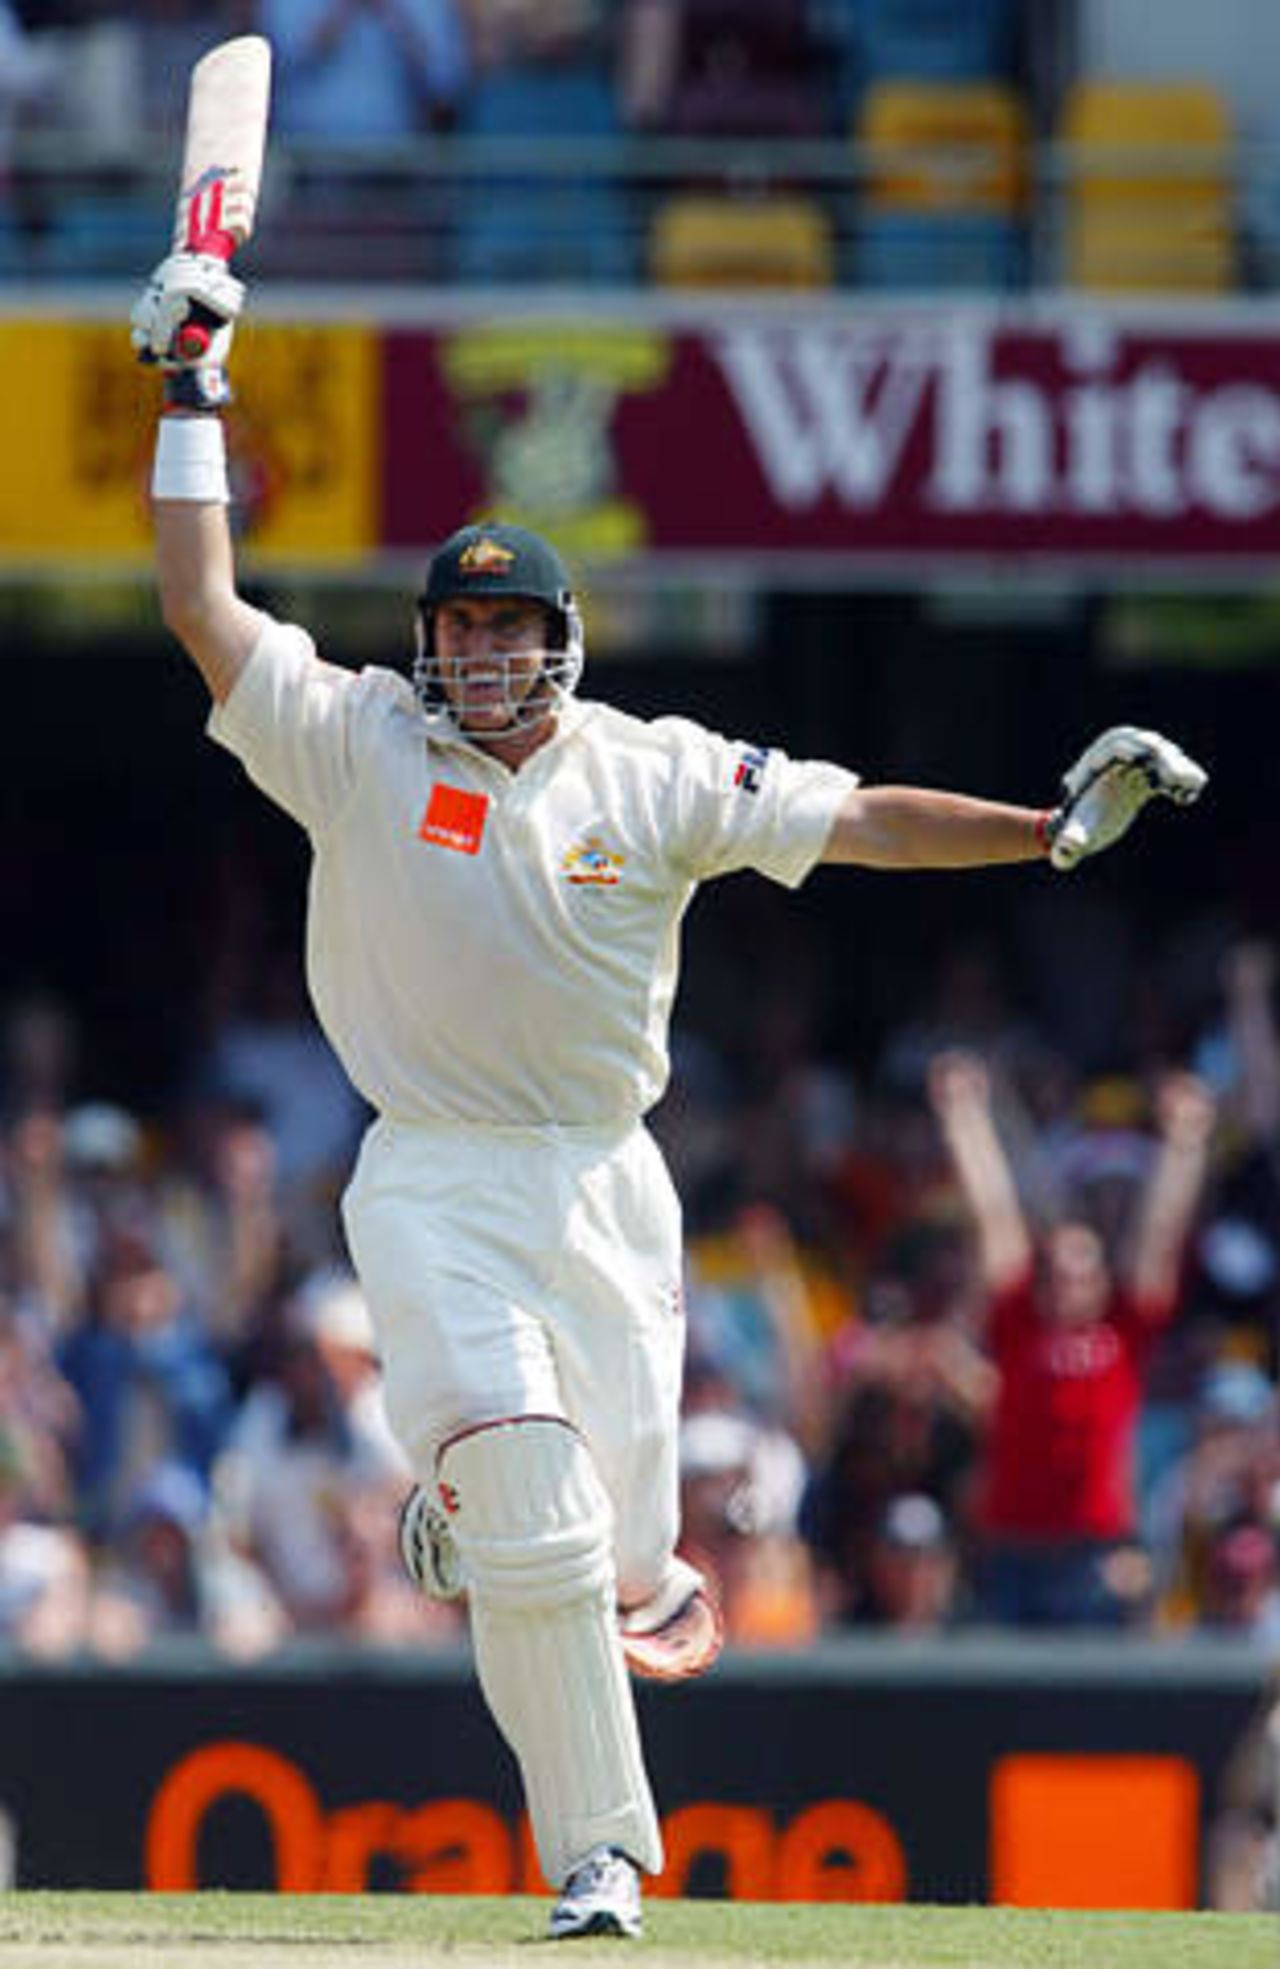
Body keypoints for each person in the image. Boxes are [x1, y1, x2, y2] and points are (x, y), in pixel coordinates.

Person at [127, 238, 1207, 1938]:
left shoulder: (660, 769)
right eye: (455, 627)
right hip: (430, 1173)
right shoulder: (356, 738)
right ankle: (603, 1856)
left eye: (504, 628)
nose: (476, 656)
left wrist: (1043, 830)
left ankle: (469, 1518)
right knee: (539, 1508)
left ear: (559, 641)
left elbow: (856, 815)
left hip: (607, 1186)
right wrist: (191, 385)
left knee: (624, 1565)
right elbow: (202, 601)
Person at [927, 1051, 1218, 1628]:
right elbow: (994, 1213)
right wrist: (964, 1117)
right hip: (1011, 1549)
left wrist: (1184, 1142)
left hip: (1093, 1553)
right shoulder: (1016, 1324)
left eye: (1082, 1272)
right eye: (1056, 1271)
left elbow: (1158, 1232)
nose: (1067, 1283)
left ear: (1102, 1280)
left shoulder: (1122, 1331)